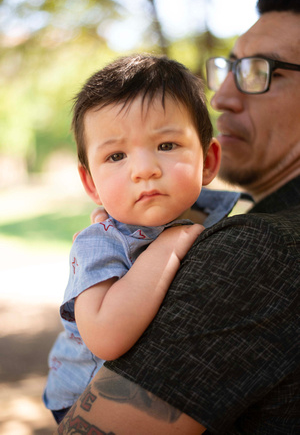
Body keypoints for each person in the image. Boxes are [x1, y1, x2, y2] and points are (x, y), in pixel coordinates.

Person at [55, 0, 300, 433]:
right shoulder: (182, 224)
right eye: (229, 68)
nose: (222, 96)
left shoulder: (265, 248)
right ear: (90, 180)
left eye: (260, 71)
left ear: (208, 160)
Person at [44, 53, 242, 425]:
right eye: (116, 155)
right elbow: (104, 336)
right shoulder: (99, 242)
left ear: (210, 161)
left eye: (166, 146)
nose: (144, 170)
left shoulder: (211, 220)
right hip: (84, 399)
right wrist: (167, 247)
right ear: (91, 183)